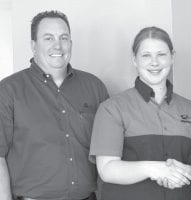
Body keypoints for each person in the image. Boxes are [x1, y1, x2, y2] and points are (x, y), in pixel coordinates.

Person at [89, 26, 191, 200]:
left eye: (161, 54)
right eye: (146, 55)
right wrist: (155, 169)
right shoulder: (112, 108)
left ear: (172, 57)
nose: (154, 62)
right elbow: (107, 169)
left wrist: (188, 171)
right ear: (134, 60)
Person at [0, 10, 109, 200]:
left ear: (71, 43)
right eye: (48, 38)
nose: (58, 45)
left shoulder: (95, 87)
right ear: (33, 45)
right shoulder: (9, 90)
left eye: (64, 38)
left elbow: (109, 150)